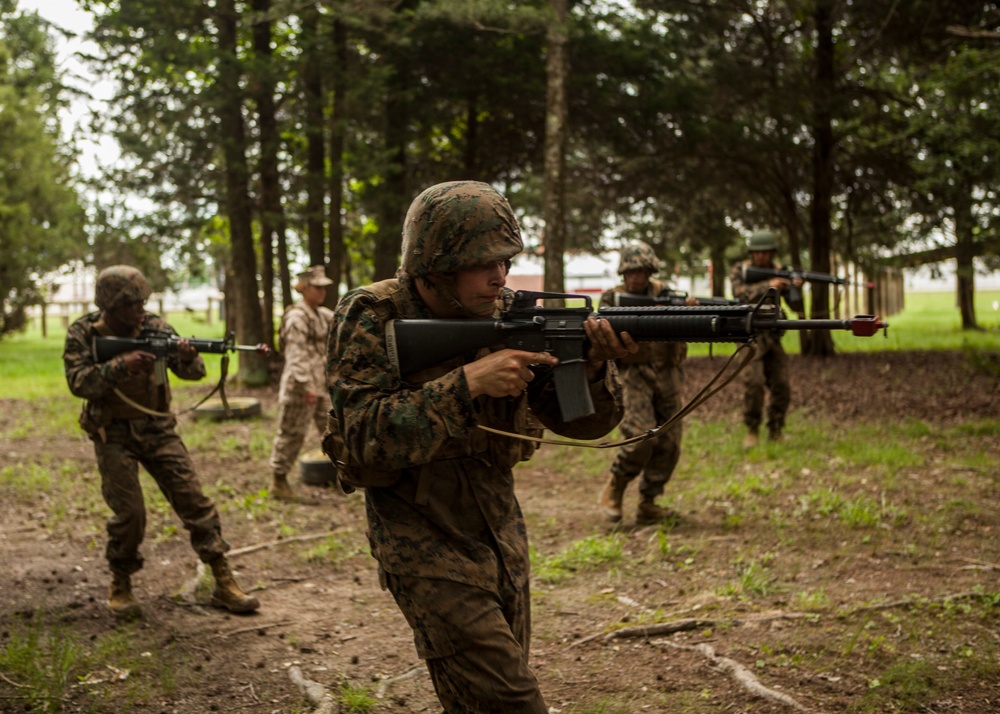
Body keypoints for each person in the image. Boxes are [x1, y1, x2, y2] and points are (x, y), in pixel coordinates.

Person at [323, 181, 633, 713]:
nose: (500, 277)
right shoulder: (373, 315)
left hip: (501, 536)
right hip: (420, 539)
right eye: (482, 263)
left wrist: (595, 365)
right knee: (513, 702)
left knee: (480, 699)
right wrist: (467, 385)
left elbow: (584, 426)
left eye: (506, 262)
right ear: (435, 265)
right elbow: (363, 436)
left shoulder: (510, 312)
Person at [64, 265, 260, 619]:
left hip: (158, 428)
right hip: (113, 432)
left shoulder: (155, 327)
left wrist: (187, 357)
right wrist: (121, 365)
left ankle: (223, 578)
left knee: (194, 501)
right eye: (132, 304)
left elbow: (194, 372)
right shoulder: (83, 333)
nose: (141, 309)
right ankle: (121, 582)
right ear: (109, 305)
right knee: (131, 514)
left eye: (142, 302)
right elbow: (79, 382)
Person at [597, 241, 688, 525]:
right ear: (623, 273)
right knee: (640, 437)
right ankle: (616, 484)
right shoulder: (612, 299)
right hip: (634, 375)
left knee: (670, 442)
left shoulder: (666, 294)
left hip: (667, 373)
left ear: (650, 271)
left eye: (642, 271)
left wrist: (688, 310)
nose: (636, 277)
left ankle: (649, 501)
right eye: (631, 272)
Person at [729, 229, 804, 448]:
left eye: (766, 253)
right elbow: (739, 294)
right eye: (757, 253)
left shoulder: (782, 272)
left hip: (773, 334)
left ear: (772, 253)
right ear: (751, 253)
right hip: (749, 335)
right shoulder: (741, 270)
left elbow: (796, 307)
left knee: (782, 384)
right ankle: (752, 429)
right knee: (754, 384)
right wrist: (768, 286)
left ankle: (776, 428)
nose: (761, 257)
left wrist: (795, 289)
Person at [268, 265, 335, 502]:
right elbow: (296, 356)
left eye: (324, 287)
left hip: (320, 383)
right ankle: (279, 481)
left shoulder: (320, 314)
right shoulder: (297, 317)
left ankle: (341, 476)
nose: (322, 292)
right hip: (301, 387)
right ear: (304, 289)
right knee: (292, 433)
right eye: (317, 287)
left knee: (333, 430)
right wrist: (307, 387)